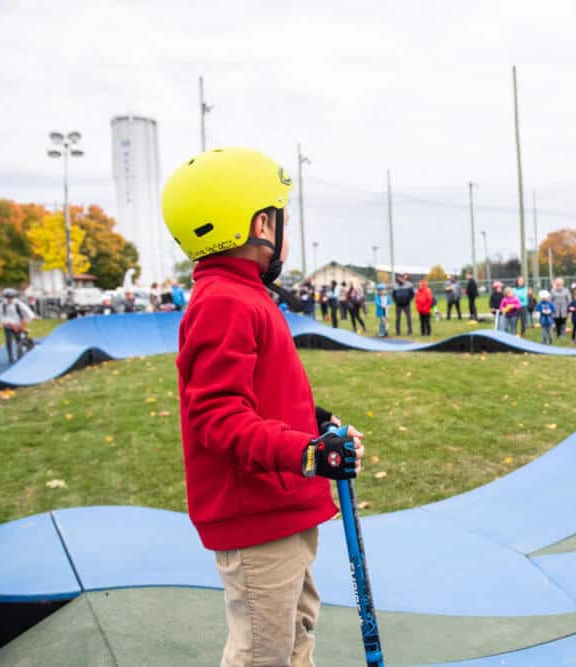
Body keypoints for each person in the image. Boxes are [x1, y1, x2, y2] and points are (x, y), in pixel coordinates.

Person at [162, 147, 364, 667]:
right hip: (258, 519)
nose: (286, 234)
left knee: (295, 637)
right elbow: (218, 417)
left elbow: (259, 392)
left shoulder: (245, 295)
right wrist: (308, 454)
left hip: (283, 508)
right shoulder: (225, 301)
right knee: (263, 655)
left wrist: (315, 426)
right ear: (260, 225)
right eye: (282, 219)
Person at [0, 288, 35, 362]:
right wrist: (5, 322)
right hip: (8, 325)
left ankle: (21, 354)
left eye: (11, 297)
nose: (9, 299)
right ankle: (10, 356)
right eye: (7, 297)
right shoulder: (2, 305)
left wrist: (28, 319)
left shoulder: (18, 304)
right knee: (8, 341)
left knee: (19, 340)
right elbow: (1, 315)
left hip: (18, 325)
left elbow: (28, 313)